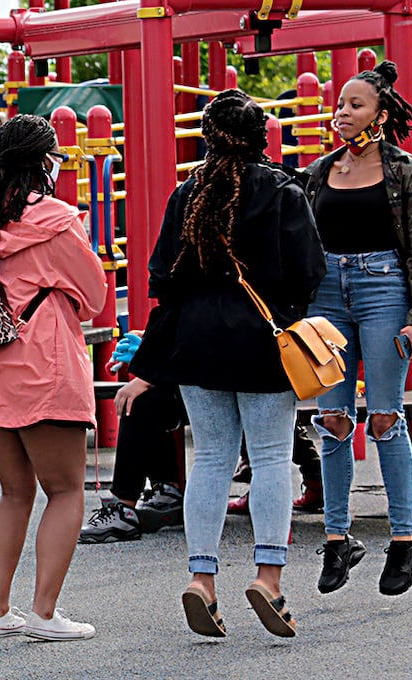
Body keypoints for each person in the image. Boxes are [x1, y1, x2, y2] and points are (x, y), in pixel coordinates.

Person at [126, 89, 324, 639]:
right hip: (264, 341)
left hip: (197, 344)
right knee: (268, 458)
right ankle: (268, 577)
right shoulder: (284, 189)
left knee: (211, 458)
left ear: (207, 139)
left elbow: (162, 278)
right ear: (262, 136)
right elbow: (310, 270)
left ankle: (201, 579)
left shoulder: (187, 194)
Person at [0, 114, 109, 642]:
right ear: (44, 161)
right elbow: (95, 295)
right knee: (65, 491)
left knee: (14, 492)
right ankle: (44, 613)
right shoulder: (58, 219)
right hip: (41, 365)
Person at [300, 60, 412, 597]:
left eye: (355, 104)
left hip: (383, 288)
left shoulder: (404, 172)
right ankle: (338, 538)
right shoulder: (321, 170)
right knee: (331, 419)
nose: (342, 112)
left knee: (386, 415)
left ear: (381, 115)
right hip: (326, 297)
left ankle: (403, 539)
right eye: (340, 103)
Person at [79, 331, 186, 545]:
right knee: (145, 399)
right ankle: (166, 488)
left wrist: (150, 369)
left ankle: (124, 505)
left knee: (137, 399)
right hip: (203, 367)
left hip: (223, 372)